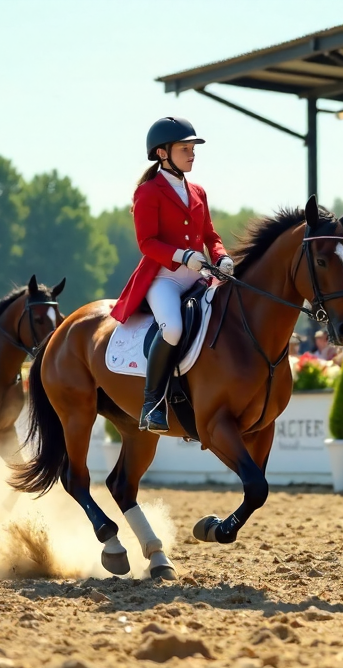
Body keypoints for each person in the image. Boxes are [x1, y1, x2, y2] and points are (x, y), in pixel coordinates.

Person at [111, 118, 232, 433]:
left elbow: (210, 234)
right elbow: (147, 243)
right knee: (174, 329)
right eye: (184, 149)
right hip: (164, 277)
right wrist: (182, 256)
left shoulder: (198, 191)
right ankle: (152, 404)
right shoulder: (148, 192)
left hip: (199, 275)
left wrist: (221, 256)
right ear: (163, 153)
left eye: (192, 149)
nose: (192, 154)